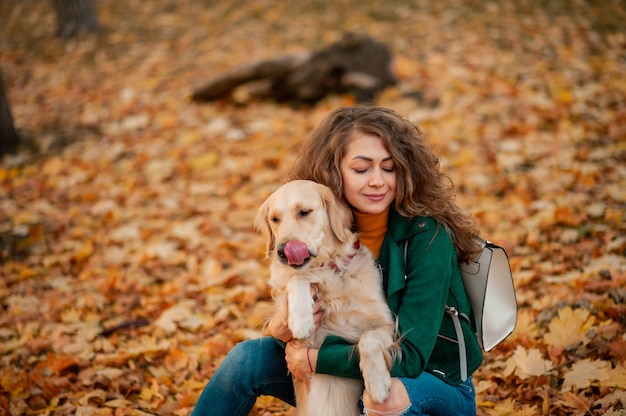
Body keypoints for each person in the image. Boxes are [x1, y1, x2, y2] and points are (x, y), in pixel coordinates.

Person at [191, 106, 483, 416]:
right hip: (350, 378)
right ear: (334, 172)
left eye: (389, 167)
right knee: (246, 359)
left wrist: (315, 360)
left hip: (430, 382)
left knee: (385, 397)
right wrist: (282, 329)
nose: (377, 181)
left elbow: (410, 357)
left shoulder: (428, 237)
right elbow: (307, 328)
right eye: (361, 169)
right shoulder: (321, 228)